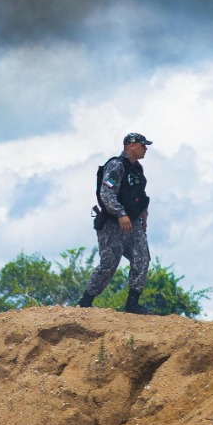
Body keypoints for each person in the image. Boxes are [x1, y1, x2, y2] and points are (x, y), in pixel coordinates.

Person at [78, 134, 153, 313]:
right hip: (113, 224)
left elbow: (138, 194)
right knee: (109, 265)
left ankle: (133, 304)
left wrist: (143, 212)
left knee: (142, 259)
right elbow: (106, 193)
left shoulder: (137, 169)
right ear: (132, 146)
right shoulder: (116, 166)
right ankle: (85, 303)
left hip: (133, 223)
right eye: (143, 145)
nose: (146, 149)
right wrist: (120, 214)